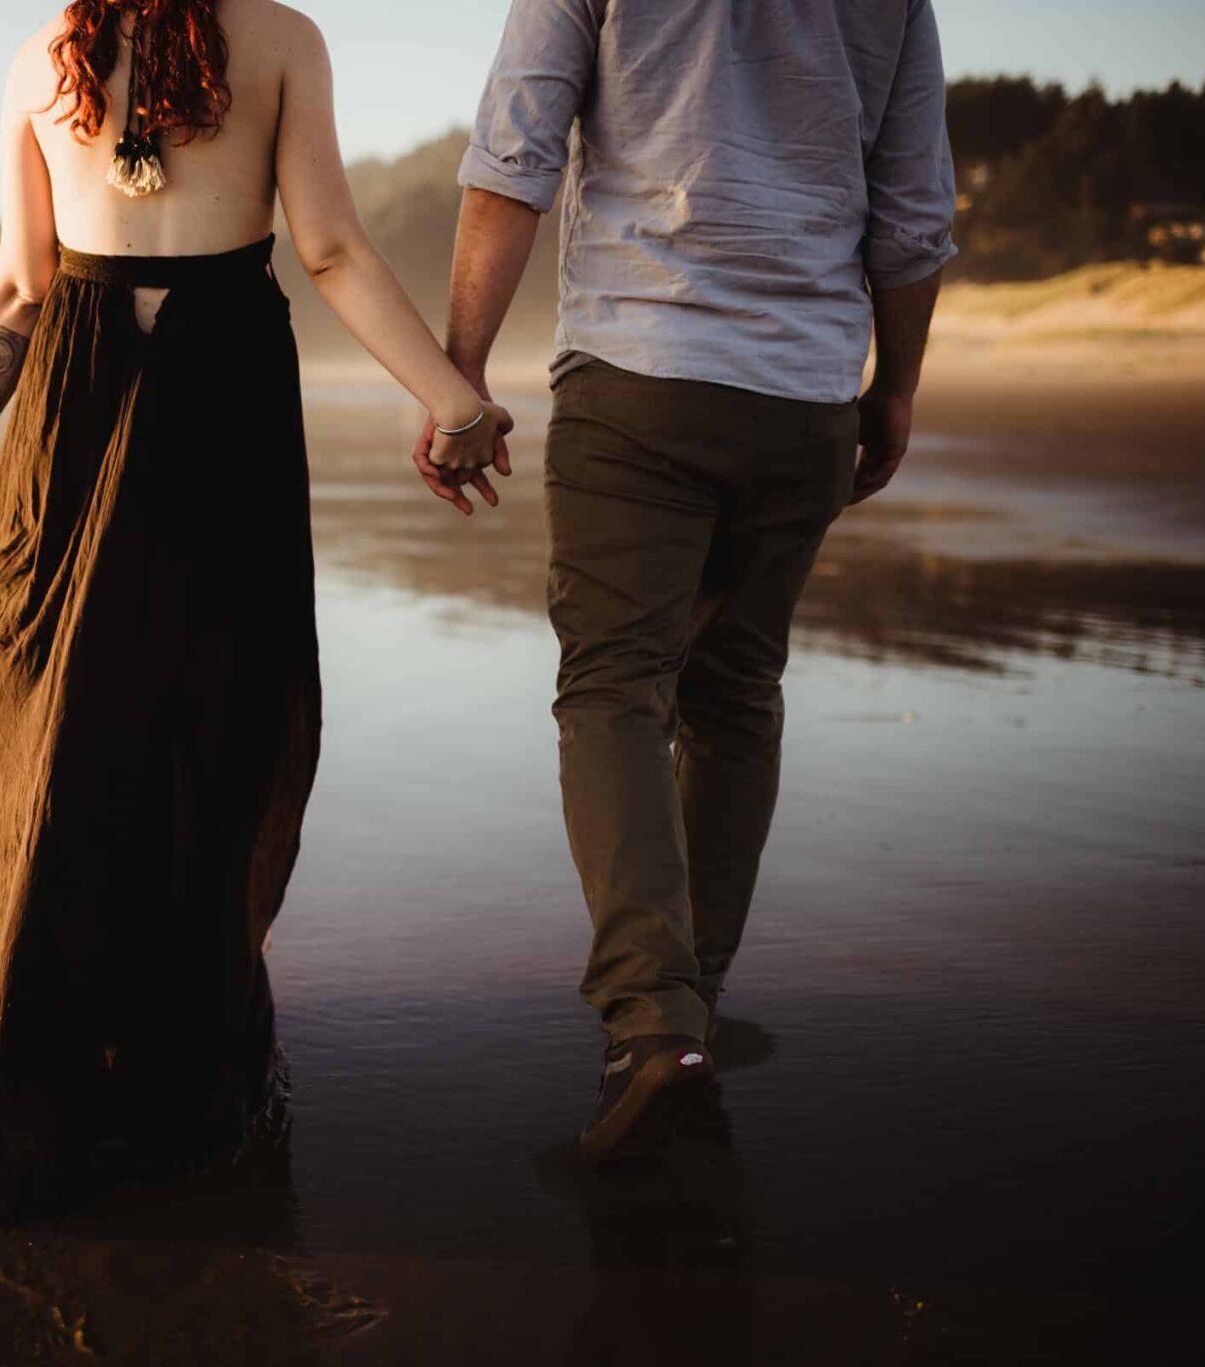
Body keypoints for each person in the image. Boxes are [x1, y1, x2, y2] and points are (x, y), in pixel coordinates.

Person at [0, 0, 511, 1224]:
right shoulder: (280, 40)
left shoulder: (34, 61)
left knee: (68, 717)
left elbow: (17, 288)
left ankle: (47, 1067)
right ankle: (181, 1069)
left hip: (75, 389)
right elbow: (326, 250)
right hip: (222, 384)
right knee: (216, 712)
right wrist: (452, 398)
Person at [429, 0, 956, 1162]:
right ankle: (688, 1009)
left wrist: (458, 368)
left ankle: (650, 1024)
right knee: (733, 694)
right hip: (804, 393)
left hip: (638, 370)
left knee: (614, 688)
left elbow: (513, 153)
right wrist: (894, 383)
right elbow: (913, 211)